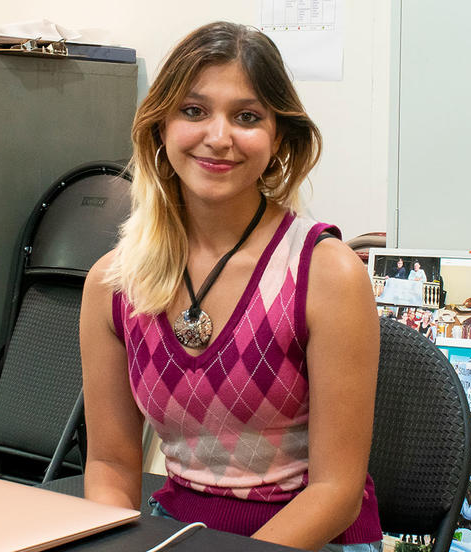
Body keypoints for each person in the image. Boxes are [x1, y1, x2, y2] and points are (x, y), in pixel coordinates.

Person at [80, 22, 381, 550]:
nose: (218, 137)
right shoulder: (112, 283)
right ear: (160, 127)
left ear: (279, 139)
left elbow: (337, 491)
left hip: (314, 536)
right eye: (193, 111)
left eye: (246, 117)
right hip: (179, 528)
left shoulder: (328, 275)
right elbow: (109, 463)